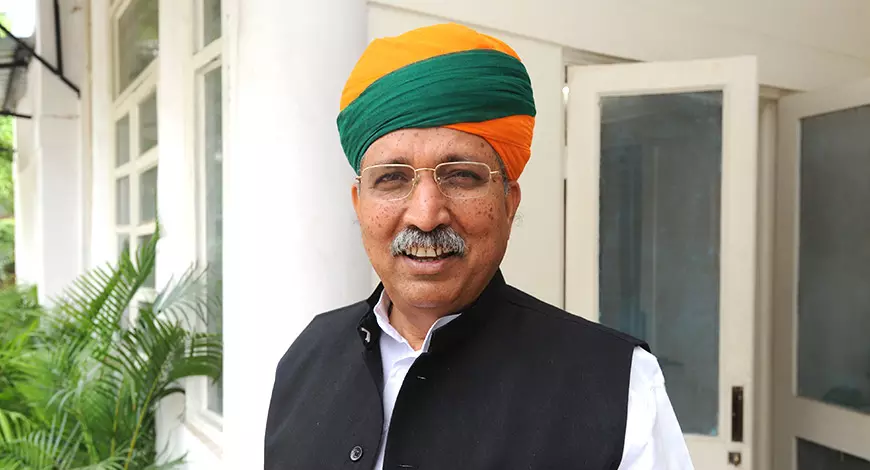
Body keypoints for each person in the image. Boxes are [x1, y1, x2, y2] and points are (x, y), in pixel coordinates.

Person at [264, 23, 694, 470]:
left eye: (461, 176)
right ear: (359, 203)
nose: (426, 215)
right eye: (392, 178)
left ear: (509, 202)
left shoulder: (619, 387)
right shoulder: (308, 357)